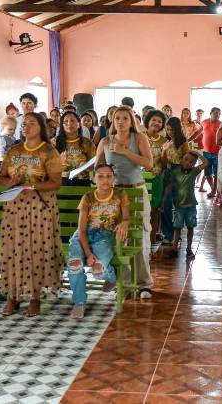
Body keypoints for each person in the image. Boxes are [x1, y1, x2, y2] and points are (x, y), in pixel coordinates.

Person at [0, 112, 63, 317]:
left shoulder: (49, 151)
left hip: (39, 207)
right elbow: (1, 178)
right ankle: (12, 296)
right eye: (24, 124)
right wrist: (13, 181)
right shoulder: (14, 150)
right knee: (14, 249)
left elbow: (56, 182)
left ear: (40, 127)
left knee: (36, 249)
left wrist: (33, 185)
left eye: (31, 124)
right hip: (15, 207)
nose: (26, 127)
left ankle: (34, 297)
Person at [95, 106, 154, 299]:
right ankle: (126, 282)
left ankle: (144, 283)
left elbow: (149, 163)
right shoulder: (105, 141)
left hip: (136, 189)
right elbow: (97, 167)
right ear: (113, 122)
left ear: (132, 121)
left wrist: (125, 151)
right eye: (117, 118)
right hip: (115, 193)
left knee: (140, 236)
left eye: (125, 119)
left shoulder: (139, 139)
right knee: (118, 238)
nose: (120, 122)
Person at [68, 164, 130, 319]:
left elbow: (126, 217)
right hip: (83, 235)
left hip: (105, 236)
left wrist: (124, 223)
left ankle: (112, 276)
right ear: (94, 178)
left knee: (97, 270)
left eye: (109, 176)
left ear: (113, 178)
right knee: (75, 264)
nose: (105, 180)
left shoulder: (120, 194)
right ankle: (79, 302)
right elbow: (81, 230)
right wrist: (88, 254)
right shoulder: (87, 198)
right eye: (101, 176)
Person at [164, 150, 208, 259]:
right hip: (179, 205)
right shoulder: (175, 172)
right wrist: (164, 199)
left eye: (191, 161)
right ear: (181, 160)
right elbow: (169, 187)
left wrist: (198, 154)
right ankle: (174, 248)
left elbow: (206, 163)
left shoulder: (194, 171)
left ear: (193, 164)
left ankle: (189, 249)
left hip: (191, 205)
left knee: (190, 227)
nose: (187, 162)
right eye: (185, 159)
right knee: (177, 227)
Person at [144, 110, 168, 242]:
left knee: (155, 209)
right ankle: (141, 238)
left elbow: (164, 164)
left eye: (160, 121)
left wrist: (164, 152)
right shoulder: (139, 137)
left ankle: (151, 239)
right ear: (148, 121)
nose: (156, 123)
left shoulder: (164, 141)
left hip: (156, 178)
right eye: (154, 120)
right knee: (141, 210)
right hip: (140, 178)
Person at [56, 111, 95, 186]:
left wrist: (85, 166)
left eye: (72, 120)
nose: (69, 123)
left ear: (79, 124)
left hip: (82, 181)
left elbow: (93, 165)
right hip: (61, 182)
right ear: (62, 125)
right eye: (65, 121)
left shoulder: (88, 143)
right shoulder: (54, 142)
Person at [199, 107, 221, 196]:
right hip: (206, 152)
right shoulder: (204, 122)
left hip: (217, 152)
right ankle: (213, 189)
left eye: (219, 113)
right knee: (207, 173)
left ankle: (214, 190)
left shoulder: (221, 124)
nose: (217, 115)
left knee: (216, 173)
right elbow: (198, 133)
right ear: (211, 113)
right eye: (216, 113)